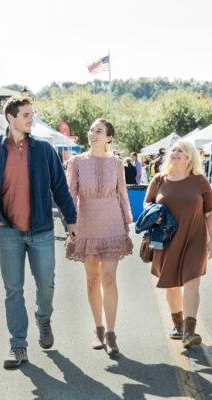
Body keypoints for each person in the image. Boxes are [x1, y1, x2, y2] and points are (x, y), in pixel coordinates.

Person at [0, 96, 77, 369]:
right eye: (26, 115)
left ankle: (43, 318)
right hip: (8, 232)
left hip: (41, 230)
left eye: (32, 114)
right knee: (13, 290)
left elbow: (61, 189)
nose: (32, 119)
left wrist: (72, 221)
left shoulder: (44, 150)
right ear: (11, 117)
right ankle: (18, 345)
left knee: (47, 285)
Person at [66, 119, 133, 355]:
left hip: (112, 222)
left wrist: (128, 217)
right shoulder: (76, 162)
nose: (93, 134)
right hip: (86, 223)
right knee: (92, 279)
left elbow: (122, 191)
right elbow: (70, 192)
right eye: (92, 130)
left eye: (99, 131)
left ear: (109, 138)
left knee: (109, 278)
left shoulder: (116, 163)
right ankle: (98, 328)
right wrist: (70, 221)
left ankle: (112, 333)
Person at [144, 139, 212, 348]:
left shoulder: (199, 181)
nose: (176, 153)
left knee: (193, 282)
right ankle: (177, 324)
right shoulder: (159, 180)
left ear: (189, 157)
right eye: (174, 150)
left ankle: (189, 331)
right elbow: (147, 203)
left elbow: (211, 213)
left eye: (182, 151)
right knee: (172, 285)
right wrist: (155, 214)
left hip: (195, 238)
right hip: (166, 240)